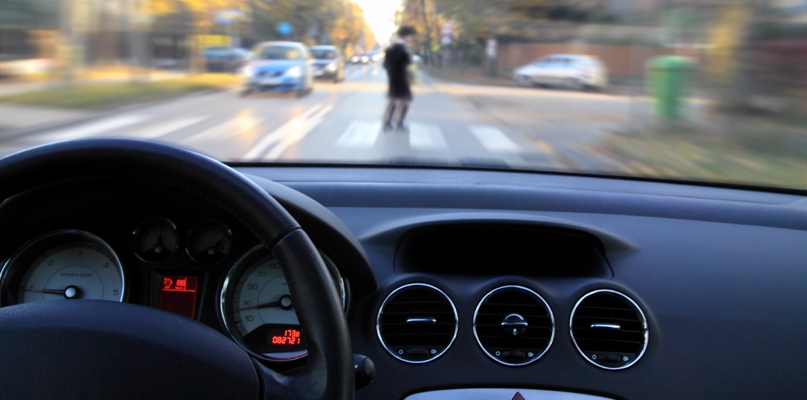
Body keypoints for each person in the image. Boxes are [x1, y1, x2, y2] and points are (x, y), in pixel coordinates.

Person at [383, 26, 417, 132]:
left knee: (394, 99)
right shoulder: (403, 47)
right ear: (406, 36)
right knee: (406, 99)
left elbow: (385, 64)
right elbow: (407, 62)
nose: (411, 38)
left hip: (393, 78)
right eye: (410, 36)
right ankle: (399, 123)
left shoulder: (392, 46)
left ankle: (388, 122)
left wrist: (390, 73)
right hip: (401, 78)